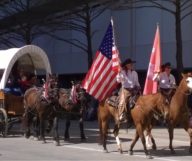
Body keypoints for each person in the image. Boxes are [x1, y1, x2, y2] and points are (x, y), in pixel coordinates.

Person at [116, 58, 141, 122]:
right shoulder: (122, 72)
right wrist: (119, 73)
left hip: (134, 90)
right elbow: (118, 80)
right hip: (125, 90)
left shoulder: (134, 73)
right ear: (126, 65)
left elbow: (136, 82)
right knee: (122, 101)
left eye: (131, 64)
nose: (131, 65)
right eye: (130, 64)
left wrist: (139, 87)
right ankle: (121, 114)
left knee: (141, 99)